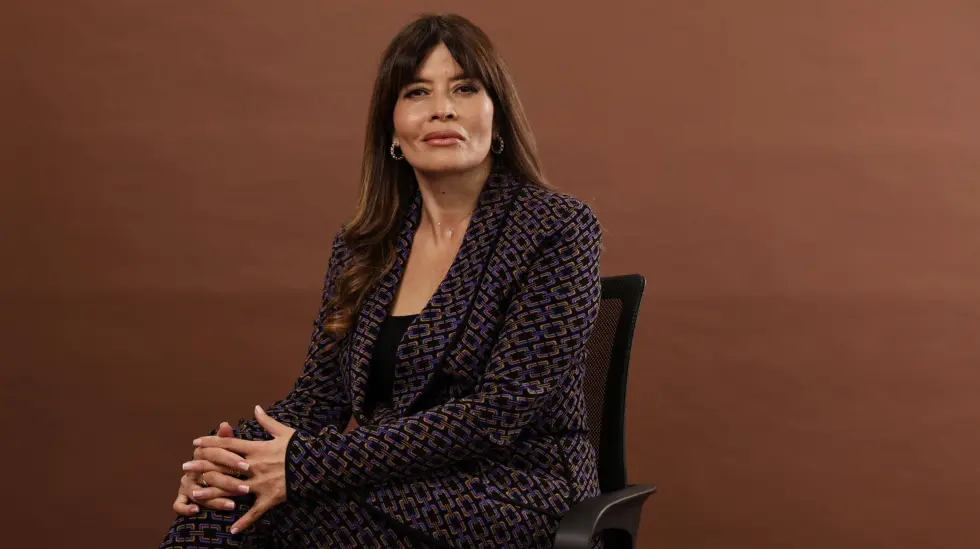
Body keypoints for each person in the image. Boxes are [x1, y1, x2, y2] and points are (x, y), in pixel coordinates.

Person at [160, 12, 603, 549]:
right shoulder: (365, 246)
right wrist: (226, 460)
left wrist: (304, 465)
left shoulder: (556, 227)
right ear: (392, 127)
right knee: (221, 502)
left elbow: (499, 413)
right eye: (417, 92)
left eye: (465, 88)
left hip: (515, 491)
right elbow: (317, 400)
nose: (442, 108)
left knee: (266, 514)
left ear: (498, 113)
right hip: (389, 480)